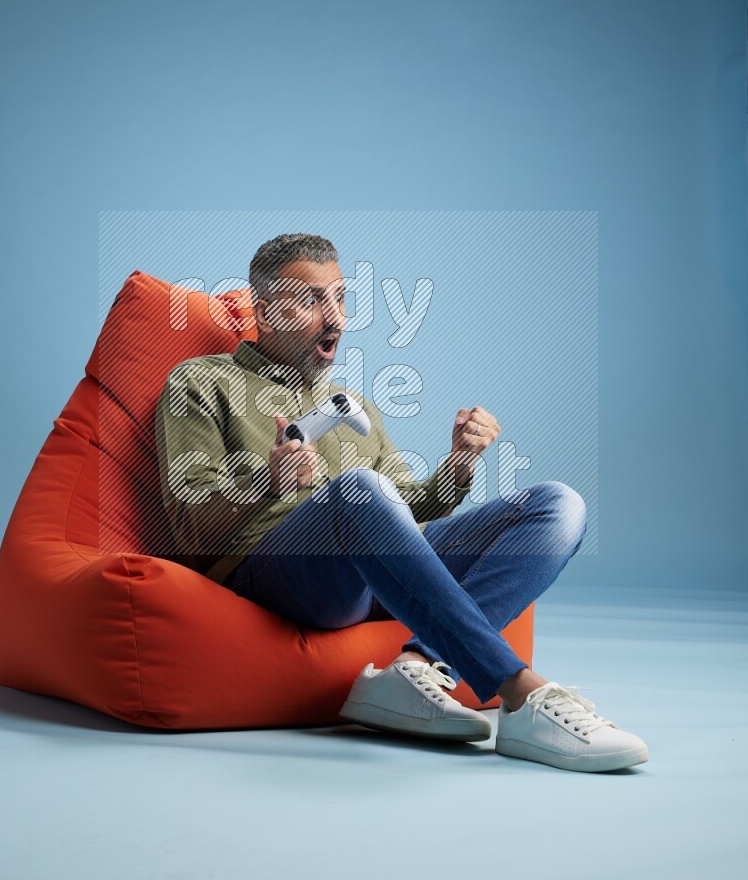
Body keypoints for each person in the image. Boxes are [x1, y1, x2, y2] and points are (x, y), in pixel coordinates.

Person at [154, 232, 649, 773]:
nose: (337, 318)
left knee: (558, 505)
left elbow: (408, 517)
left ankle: (412, 669)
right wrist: (266, 482)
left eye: (340, 297)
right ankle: (521, 692)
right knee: (360, 490)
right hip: (274, 577)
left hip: (376, 576)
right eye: (313, 300)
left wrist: (458, 462)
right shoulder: (200, 381)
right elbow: (190, 529)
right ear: (266, 312)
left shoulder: (356, 406)